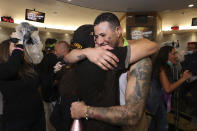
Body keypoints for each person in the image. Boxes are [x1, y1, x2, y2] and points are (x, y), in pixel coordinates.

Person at [66, 12, 158, 131]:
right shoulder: (100, 51)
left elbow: (133, 116)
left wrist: (85, 111)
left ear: (118, 31)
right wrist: (86, 51)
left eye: (103, 35)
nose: (99, 42)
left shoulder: (139, 59)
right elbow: (69, 57)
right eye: (96, 36)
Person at [0, 37, 45, 131]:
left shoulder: (25, 67)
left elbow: (38, 81)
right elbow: (10, 70)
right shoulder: (4, 68)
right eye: (14, 46)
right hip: (16, 121)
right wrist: (18, 48)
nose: (20, 49)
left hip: (36, 117)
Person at [146, 45, 192, 131]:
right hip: (157, 104)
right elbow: (168, 89)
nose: (176, 56)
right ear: (166, 55)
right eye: (174, 54)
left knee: (154, 126)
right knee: (161, 127)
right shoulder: (161, 68)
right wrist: (183, 79)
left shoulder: (165, 67)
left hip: (157, 103)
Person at [50, 41, 77, 131]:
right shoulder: (62, 62)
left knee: (66, 125)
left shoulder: (73, 61)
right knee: (54, 119)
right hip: (62, 99)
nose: (55, 52)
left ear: (63, 50)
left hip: (71, 100)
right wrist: (55, 72)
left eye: (56, 50)